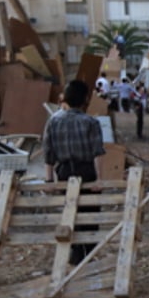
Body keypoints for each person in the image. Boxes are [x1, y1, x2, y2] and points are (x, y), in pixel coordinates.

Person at [43, 80, 106, 264]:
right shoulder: (91, 122)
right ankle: (87, 255)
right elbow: (97, 152)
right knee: (90, 215)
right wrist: (99, 180)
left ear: (66, 99)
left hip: (64, 173)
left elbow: (49, 154)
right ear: (85, 100)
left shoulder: (53, 121)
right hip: (86, 172)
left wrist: (49, 181)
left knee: (70, 213)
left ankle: (75, 252)